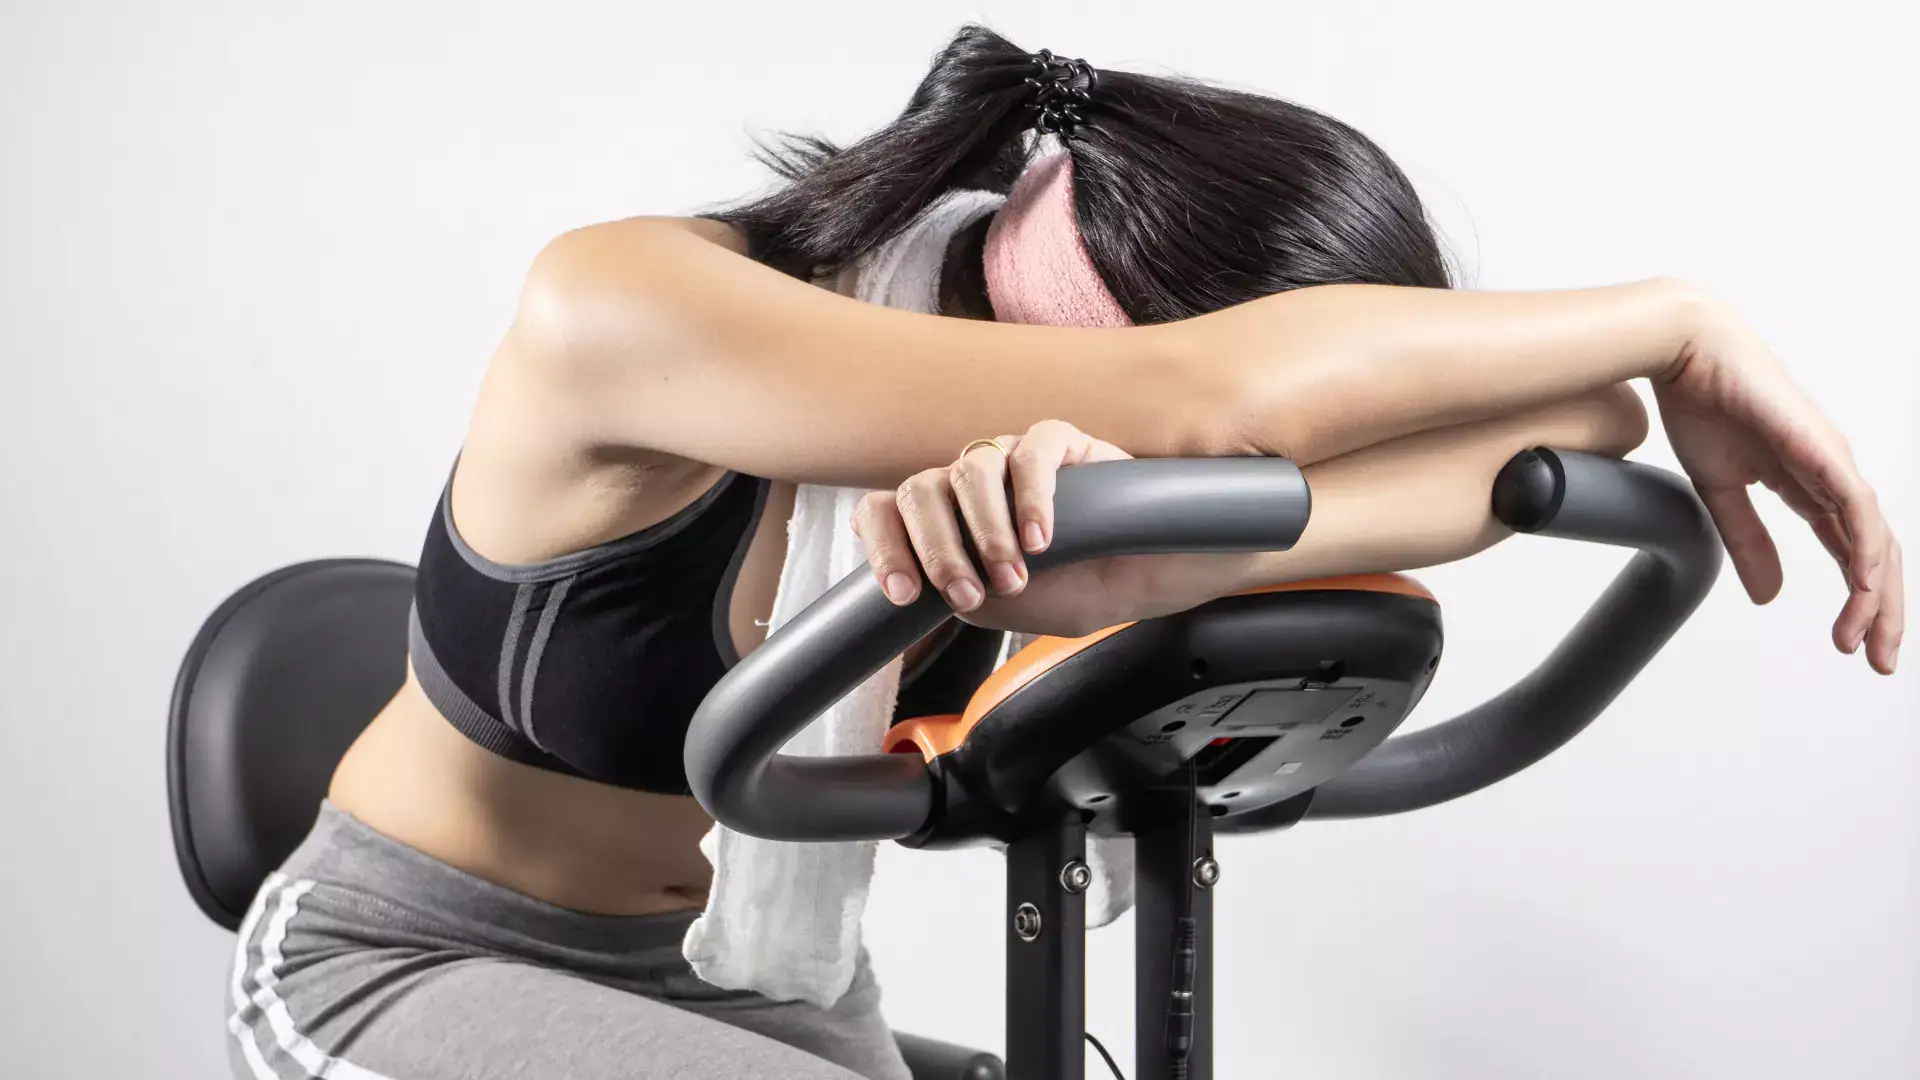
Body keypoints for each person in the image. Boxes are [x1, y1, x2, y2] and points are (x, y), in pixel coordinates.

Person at [225, 24, 1902, 1080]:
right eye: (1271, 433)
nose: (1257, 455)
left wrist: (1604, 412)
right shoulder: (623, 304)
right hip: (414, 960)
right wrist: (1681, 324)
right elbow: (1194, 402)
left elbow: (1536, 452)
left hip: (767, 990)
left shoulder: (1059, 465)